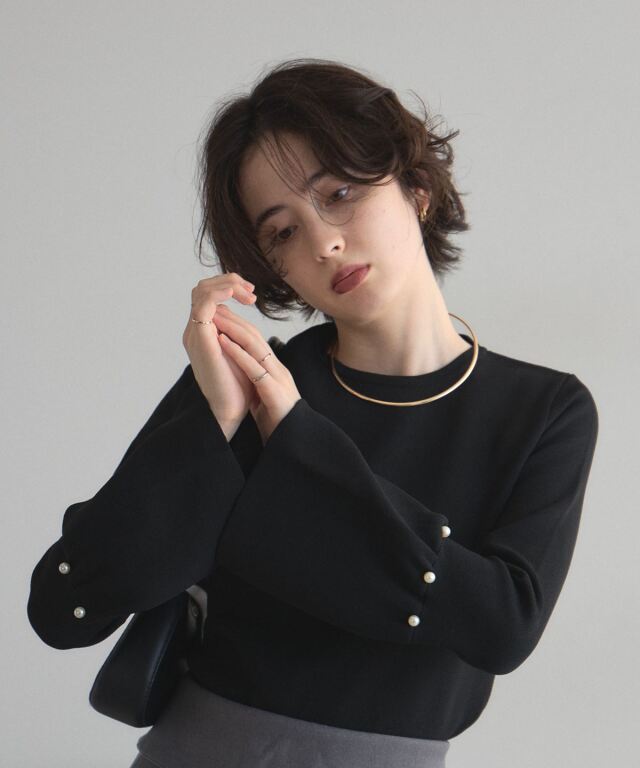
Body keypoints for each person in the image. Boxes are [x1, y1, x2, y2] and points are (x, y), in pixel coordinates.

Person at [27, 58, 599, 768]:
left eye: (340, 193)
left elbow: (503, 628)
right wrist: (215, 424)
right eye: (282, 233)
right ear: (274, 269)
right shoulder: (247, 383)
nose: (324, 241)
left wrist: (299, 443)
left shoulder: (543, 410)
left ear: (417, 190)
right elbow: (65, 608)